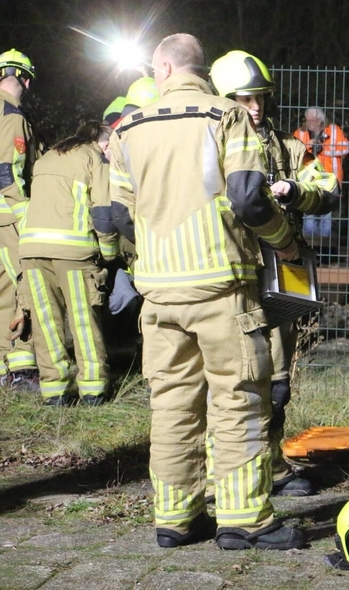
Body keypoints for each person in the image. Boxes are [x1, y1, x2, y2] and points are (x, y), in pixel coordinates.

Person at [108, 33, 305, 550]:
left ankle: (175, 518)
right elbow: (247, 199)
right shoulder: (227, 116)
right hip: (221, 289)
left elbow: (113, 214)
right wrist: (284, 246)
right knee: (238, 399)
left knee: (172, 404)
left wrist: (154, 248)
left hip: (159, 294)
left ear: (162, 70)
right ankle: (243, 520)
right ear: (201, 70)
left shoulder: (127, 126)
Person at [209, 50, 340, 496]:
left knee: (279, 380)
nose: (256, 107)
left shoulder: (290, 146)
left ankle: (272, 466)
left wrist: (297, 190)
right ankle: (236, 471)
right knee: (243, 376)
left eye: (261, 97)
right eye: (244, 99)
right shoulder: (212, 147)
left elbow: (328, 188)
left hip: (287, 267)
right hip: (238, 271)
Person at [15, 121, 119, 406]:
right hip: (73, 251)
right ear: (102, 142)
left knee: (45, 322)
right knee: (83, 321)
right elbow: (103, 212)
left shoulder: (48, 156)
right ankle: (93, 389)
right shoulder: (94, 158)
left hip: (31, 249)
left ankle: (54, 392)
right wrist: (110, 254)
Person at [0, 48, 39, 392]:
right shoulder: (11, 115)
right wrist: (26, 213)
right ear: (24, 79)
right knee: (19, 288)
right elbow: (9, 171)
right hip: (7, 217)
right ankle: (22, 367)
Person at [293, 107, 349, 241]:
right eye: (307, 120)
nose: (309, 123)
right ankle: (309, 244)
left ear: (320, 120)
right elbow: (292, 152)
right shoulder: (300, 133)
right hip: (307, 180)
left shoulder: (334, 131)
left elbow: (345, 149)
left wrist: (324, 150)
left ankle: (325, 248)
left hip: (330, 180)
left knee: (326, 215)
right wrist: (308, 146)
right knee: (309, 214)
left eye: (312, 120)